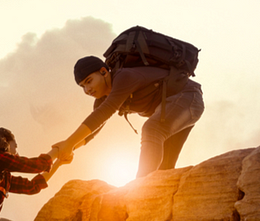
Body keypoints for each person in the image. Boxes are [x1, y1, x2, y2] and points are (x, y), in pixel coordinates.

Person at [51, 56, 205, 178]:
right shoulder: (102, 100)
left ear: (104, 72)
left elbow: (104, 112)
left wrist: (69, 143)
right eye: (83, 86)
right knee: (163, 173)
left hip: (188, 98)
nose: (87, 89)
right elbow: (92, 132)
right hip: (171, 111)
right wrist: (67, 148)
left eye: (89, 81)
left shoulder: (124, 77)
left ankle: (139, 189)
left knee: (152, 129)